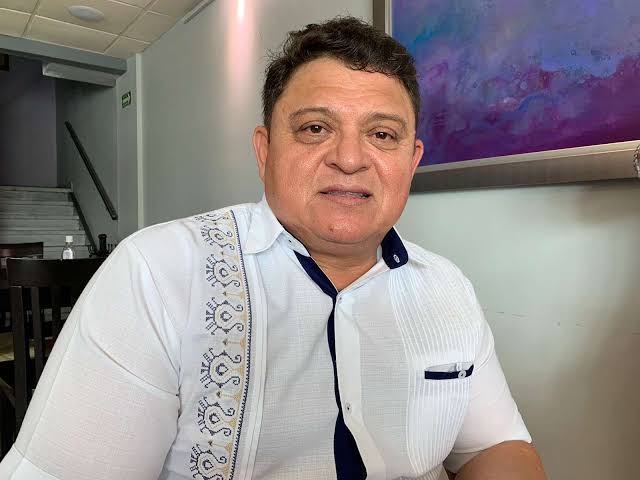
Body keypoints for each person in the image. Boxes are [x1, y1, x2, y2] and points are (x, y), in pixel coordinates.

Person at [0, 17, 546, 480]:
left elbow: (495, 445)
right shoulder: (158, 274)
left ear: (411, 160)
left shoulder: (447, 287)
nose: (350, 158)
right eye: (315, 128)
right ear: (264, 151)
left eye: (382, 135)